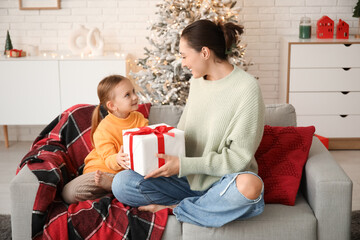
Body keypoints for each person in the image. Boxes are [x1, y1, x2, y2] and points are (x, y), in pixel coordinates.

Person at [111, 19, 265, 228]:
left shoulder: (247, 89)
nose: (182, 63)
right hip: (186, 179)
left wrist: (184, 164)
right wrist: (140, 148)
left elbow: (237, 158)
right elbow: (182, 134)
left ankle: (176, 209)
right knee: (122, 184)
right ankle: (206, 208)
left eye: (184, 56)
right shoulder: (197, 82)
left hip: (222, 182)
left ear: (204, 52)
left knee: (250, 186)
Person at [61, 75, 148, 204]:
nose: (135, 97)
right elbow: (108, 159)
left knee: (152, 185)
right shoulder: (104, 129)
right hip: (101, 171)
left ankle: (112, 187)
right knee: (70, 193)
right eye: (127, 95)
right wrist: (117, 159)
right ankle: (112, 186)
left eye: (133, 91)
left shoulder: (139, 118)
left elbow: (146, 143)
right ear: (112, 105)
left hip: (126, 175)